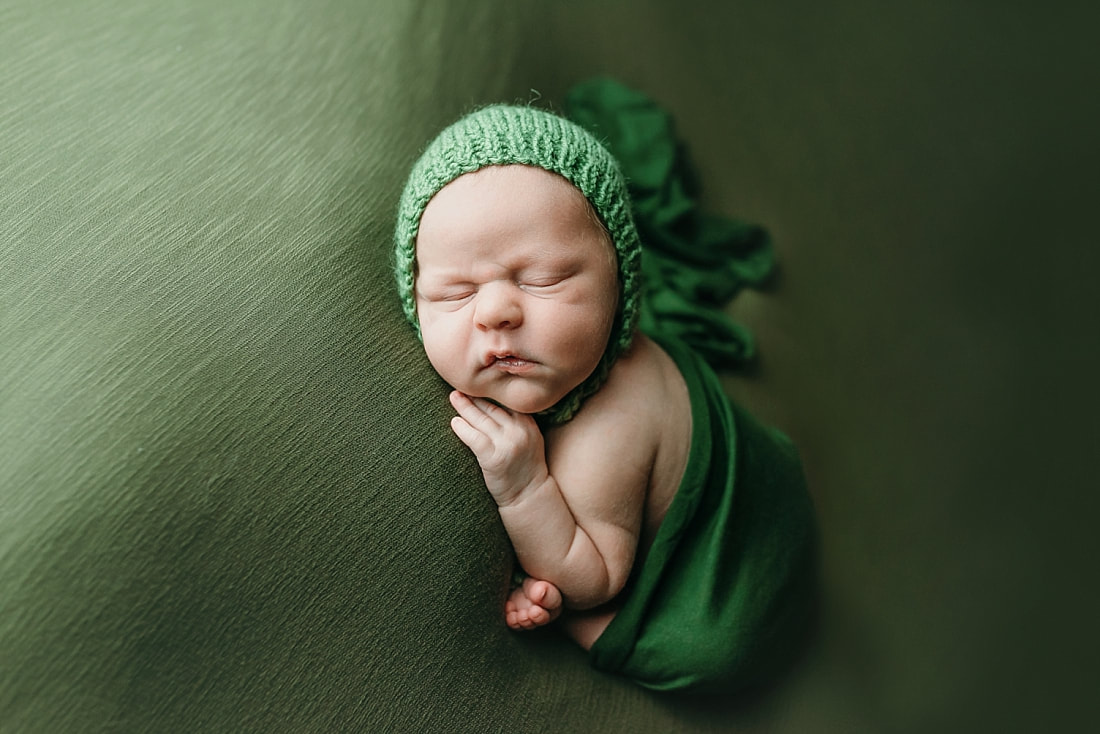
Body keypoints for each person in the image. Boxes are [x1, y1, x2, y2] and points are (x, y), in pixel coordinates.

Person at [393, 102, 817, 693]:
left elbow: (595, 579)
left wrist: (524, 485)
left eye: (541, 280)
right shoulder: (565, 355)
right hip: (758, 476)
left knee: (703, 651)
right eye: (454, 293)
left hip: (735, 571)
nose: (494, 312)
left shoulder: (608, 426)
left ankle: (589, 630)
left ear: (620, 284)